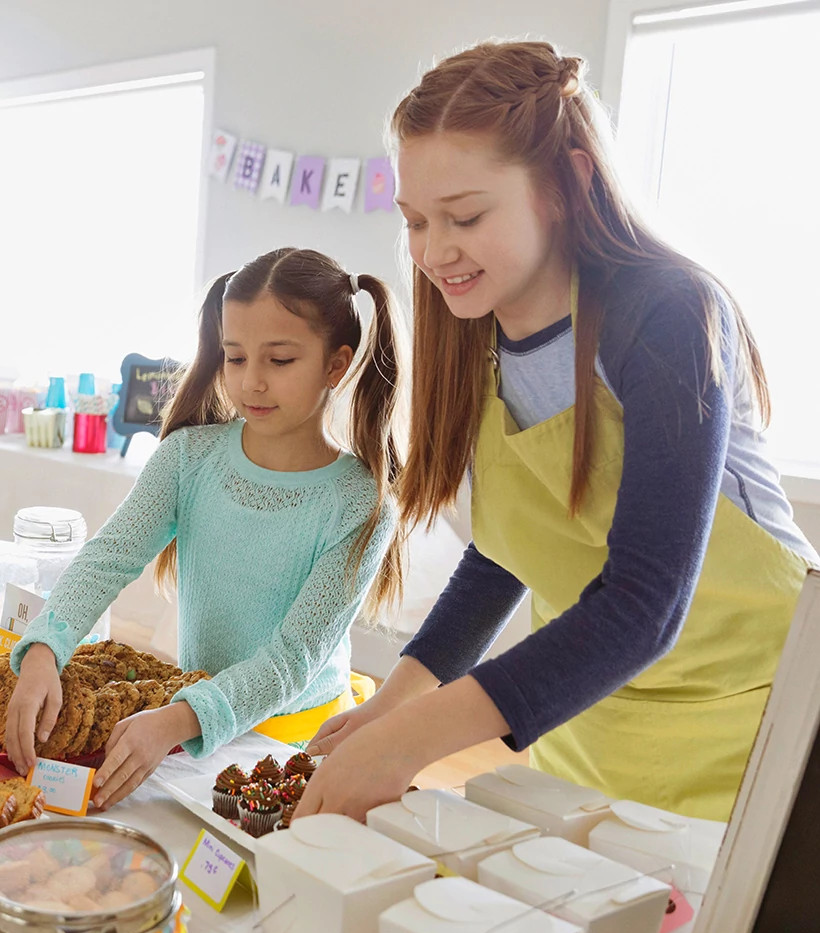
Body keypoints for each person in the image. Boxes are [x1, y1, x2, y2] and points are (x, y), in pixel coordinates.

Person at [299, 40, 817, 824]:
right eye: (414, 222)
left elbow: (645, 603)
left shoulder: (670, 312)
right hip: (588, 728)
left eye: (466, 216)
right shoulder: (473, 334)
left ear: (567, 184)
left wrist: (414, 740)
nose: (434, 253)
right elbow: (509, 550)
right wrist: (396, 703)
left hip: (755, 731)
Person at [5, 248, 407, 809]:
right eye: (236, 358)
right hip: (194, 716)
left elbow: (291, 661)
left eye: (280, 361)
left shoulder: (360, 501)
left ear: (336, 366)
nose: (252, 383)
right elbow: (108, 558)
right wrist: (47, 647)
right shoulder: (187, 459)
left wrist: (177, 719)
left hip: (292, 739)